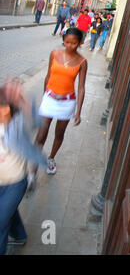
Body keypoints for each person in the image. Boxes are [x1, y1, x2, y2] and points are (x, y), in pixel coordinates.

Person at [31, 28, 87, 181]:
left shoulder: (82, 62)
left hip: (67, 102)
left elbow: (81, 88)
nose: (70, 46)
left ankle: (51, 158)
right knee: (41, 134)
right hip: (49, 99)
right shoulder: (54, 54)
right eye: (67, 42)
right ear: (63, 40)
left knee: (59, 134)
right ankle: (33, 169)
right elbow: (48, 76)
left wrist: (78, 112)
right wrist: (44, 97)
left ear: (80, 43)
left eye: (74, 43)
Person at [0, 80, 47, 254]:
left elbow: (38, 121)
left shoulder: (17, 124)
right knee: (7, 213)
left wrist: (23, 101)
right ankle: (19, 235)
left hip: (15, 183)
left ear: (6, 109)